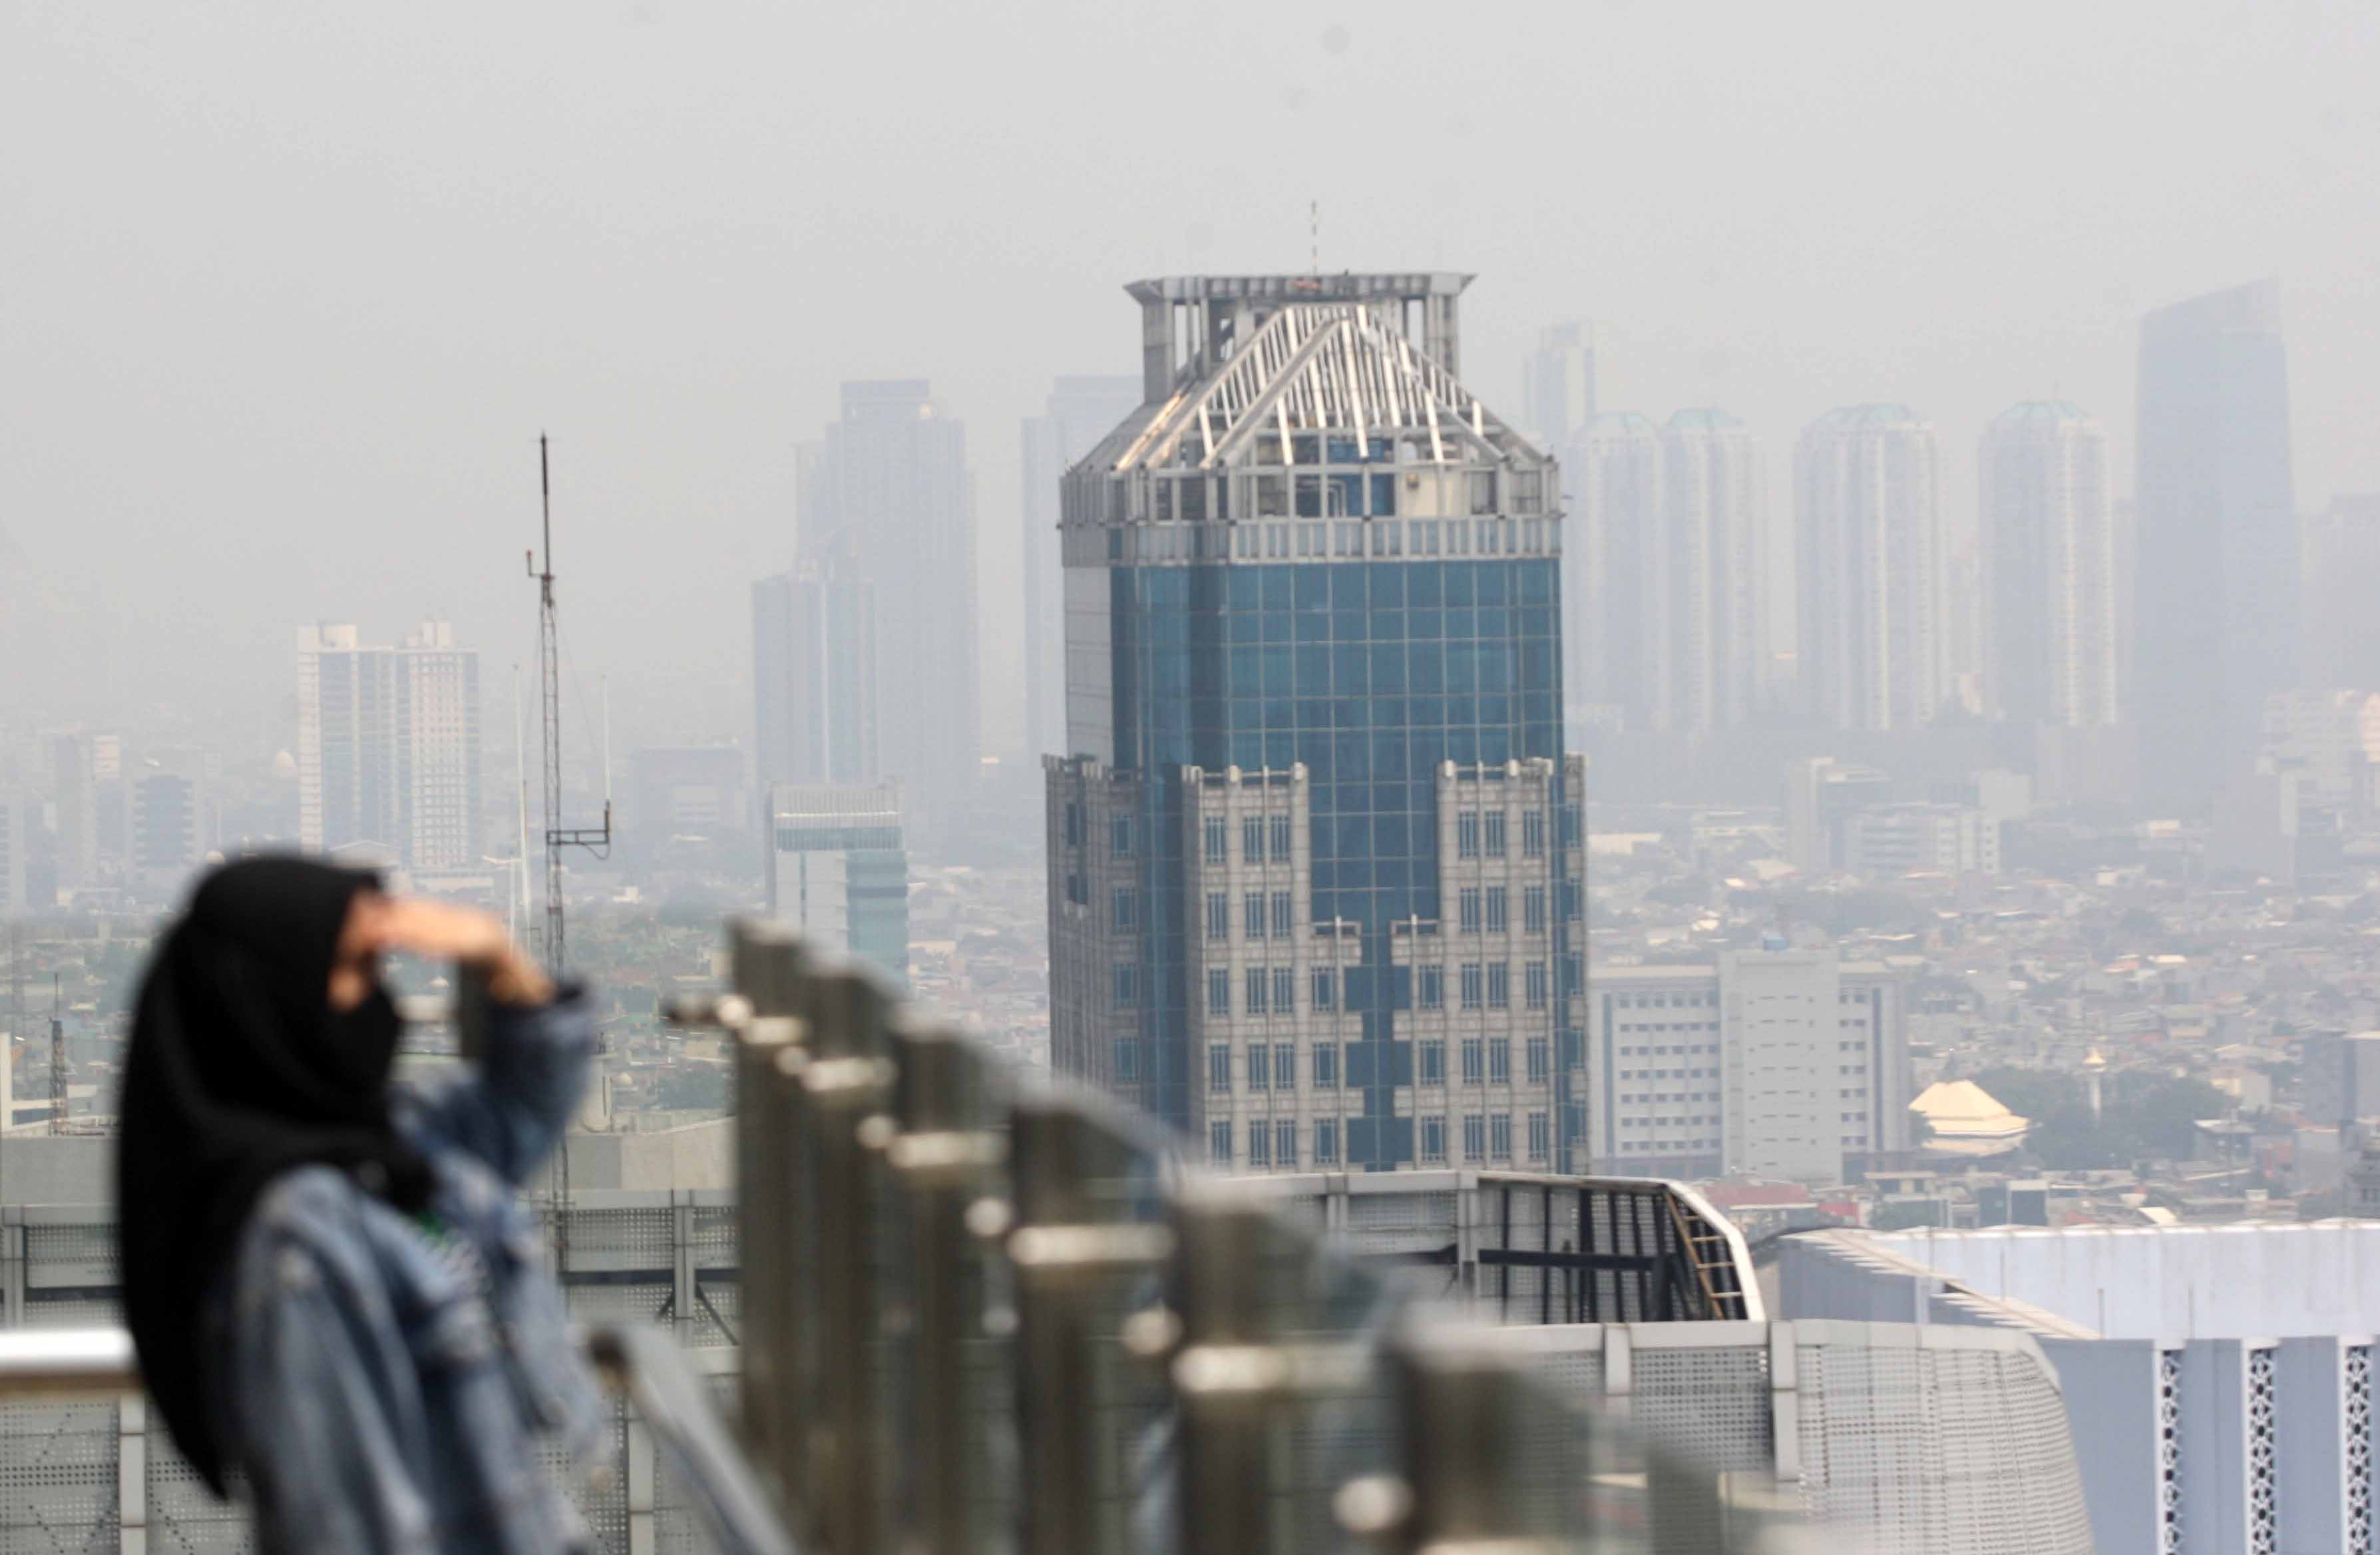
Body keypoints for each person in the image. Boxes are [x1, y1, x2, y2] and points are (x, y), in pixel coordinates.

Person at [117, 856, 608, 1554]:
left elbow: (523, 1107)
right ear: (272, 1000)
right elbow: (349, 1527)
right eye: (355, 967)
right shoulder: (299, 1236)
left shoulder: (380, 1149)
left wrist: (499, 956)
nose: (380, 997)